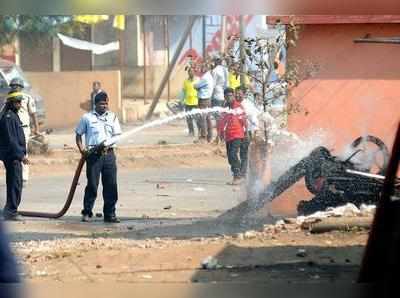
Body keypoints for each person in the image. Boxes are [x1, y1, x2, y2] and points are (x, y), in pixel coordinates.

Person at [75, 92, 122, 223]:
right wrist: (82, 150)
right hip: (93, 156)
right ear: (95, 104)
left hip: (109, 155)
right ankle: (87, 212)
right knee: (92, 185)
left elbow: (117, 135)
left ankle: (110, 214)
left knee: (111, 185)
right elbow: (78, 135)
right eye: (101, 104)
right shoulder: (87, 118)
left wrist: (108, 143)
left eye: (106, 103)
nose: (104, 106)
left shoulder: (112, 117)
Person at [0, 92, 29, 221]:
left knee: (16, 182)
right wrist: (21, 155)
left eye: (20, 102)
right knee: (14, 183)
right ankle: (11, 211)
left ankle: (11, 209)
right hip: (12, 156)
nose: (19, 104)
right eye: (17, 102)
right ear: (11, 103)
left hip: (15, 156)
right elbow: (11, 140)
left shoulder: (13, 116)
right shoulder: (8, 117)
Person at [9, 77, 40, 183]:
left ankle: (24, 175)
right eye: (13, 86)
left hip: (24, 128)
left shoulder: (27, 98)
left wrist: (36, 128)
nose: (14, 88)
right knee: (14, 150)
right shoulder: (9, 98)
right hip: (12, 127)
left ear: (21, 87)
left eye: (16, 86)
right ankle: (16, 174)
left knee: (23, 150)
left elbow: (33, 114)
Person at [217, 93, 247, 185]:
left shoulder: (238, 107)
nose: (229, 97)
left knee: (233, 154)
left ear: (233, 96)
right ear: (224, 97)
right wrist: (220, 132)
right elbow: (222, 121)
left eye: (231, 95)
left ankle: (238, 175)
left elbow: (243, 120)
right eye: (227, 96)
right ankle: (236, 175)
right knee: (230, 157)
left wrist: (245, 132)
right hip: (228, 135)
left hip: (237, 134)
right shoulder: (225, 108)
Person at [194, 63, 215, 143]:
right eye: (202, 66)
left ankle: (203, 137)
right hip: (208, 99)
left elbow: (196, 86)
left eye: (203, 66)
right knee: (208, 118)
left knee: (202, 118)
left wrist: (196, 87)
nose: (202, 68)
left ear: (207, 68)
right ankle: (209, 137)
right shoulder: (209, 76)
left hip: (203, 100)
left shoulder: (205, 77)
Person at [182, 68, 200, 137]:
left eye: (192, 71)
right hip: (187, 103)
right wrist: (182, 100)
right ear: (188, 73)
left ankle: (200, 132)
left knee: (197, 118)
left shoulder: (198, 80)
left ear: (194, 72)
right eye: (189, 72)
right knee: (188, 119)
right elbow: (183, 91)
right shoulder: (185, 81)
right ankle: (191, 132)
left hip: (196, 102)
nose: (191, 73)